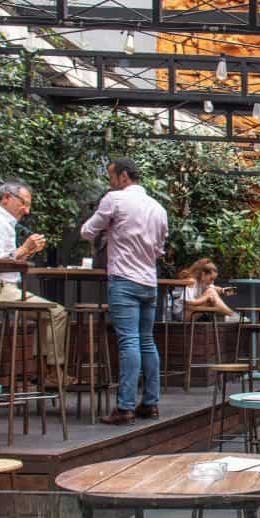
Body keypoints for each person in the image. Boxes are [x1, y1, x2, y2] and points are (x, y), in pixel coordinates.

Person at [81, 157, 168, 425]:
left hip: (124, 279)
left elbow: (87, 231)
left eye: (111, 176)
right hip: (148, 281)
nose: (110, 181)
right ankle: (150, 403)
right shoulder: (158, 208)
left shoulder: (114, 200)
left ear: (123, 177)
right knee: (146, 340)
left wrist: (107, 229)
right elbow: (159, 249)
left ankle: (125, 406)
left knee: (129, 341)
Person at [0, 181, 68, 386]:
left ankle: (45, 371)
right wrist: (25, 249)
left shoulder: (2, 222)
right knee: (56, 312)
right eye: (23, 203)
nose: (26, 210)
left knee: (48, 313)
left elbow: (7, 260)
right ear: (6, 197)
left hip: (1, 288)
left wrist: (28, 250)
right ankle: (51, 372)